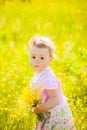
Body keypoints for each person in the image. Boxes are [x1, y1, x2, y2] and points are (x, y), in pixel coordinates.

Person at [29, 35, 76, 130]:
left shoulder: (48, 77)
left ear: (50, 59)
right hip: (47, 112)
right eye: (33, 57)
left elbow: (55, 99)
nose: (36, 61)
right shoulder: (39, 72)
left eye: (41, 58)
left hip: (55, 115)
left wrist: (40, 109)